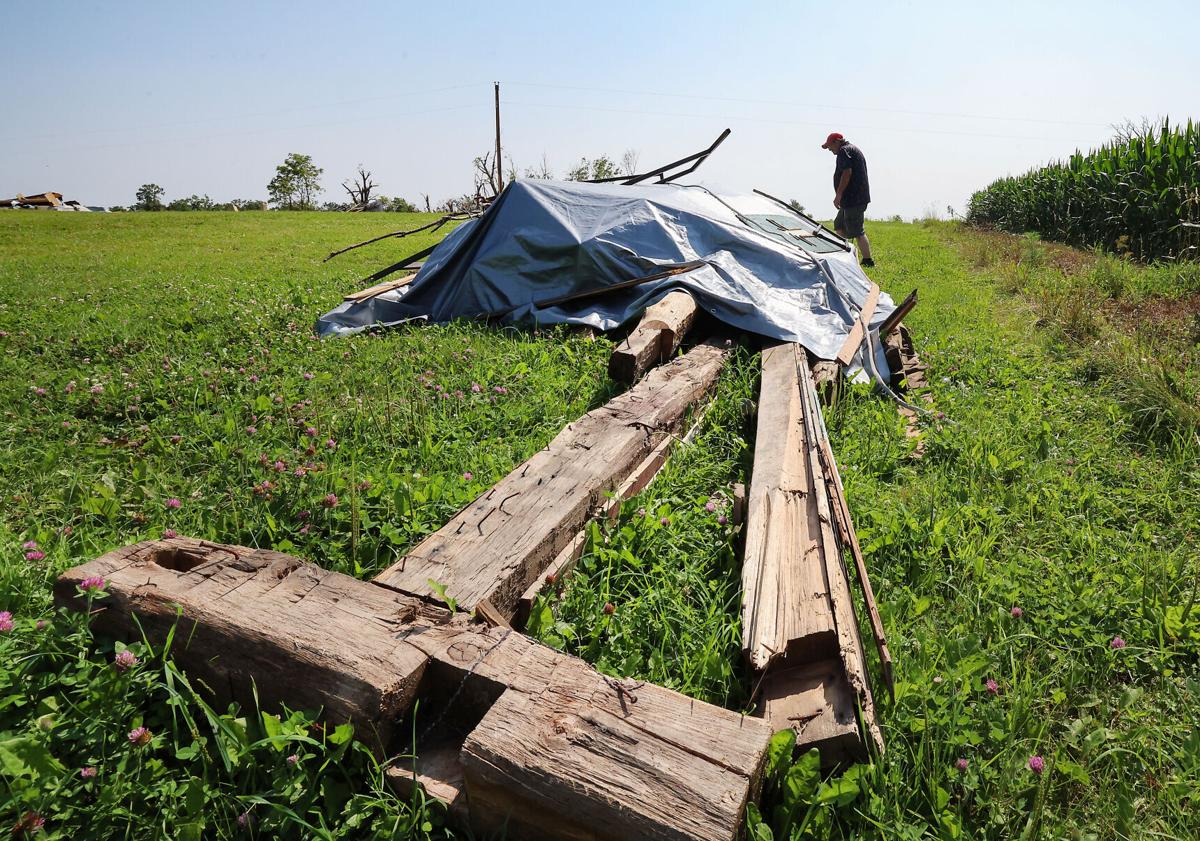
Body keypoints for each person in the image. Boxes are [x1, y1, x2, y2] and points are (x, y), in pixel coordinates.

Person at [821, 132, 874, 267]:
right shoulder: (849, 150)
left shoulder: (844, 151)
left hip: (854, 198)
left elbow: (847, 173)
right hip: (851, 198)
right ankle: (845, 257)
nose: (829, 149)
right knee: (839, 225)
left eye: (830, 146)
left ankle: (868, 261)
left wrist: (838, 195)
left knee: (857, 231)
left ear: (837, 142)